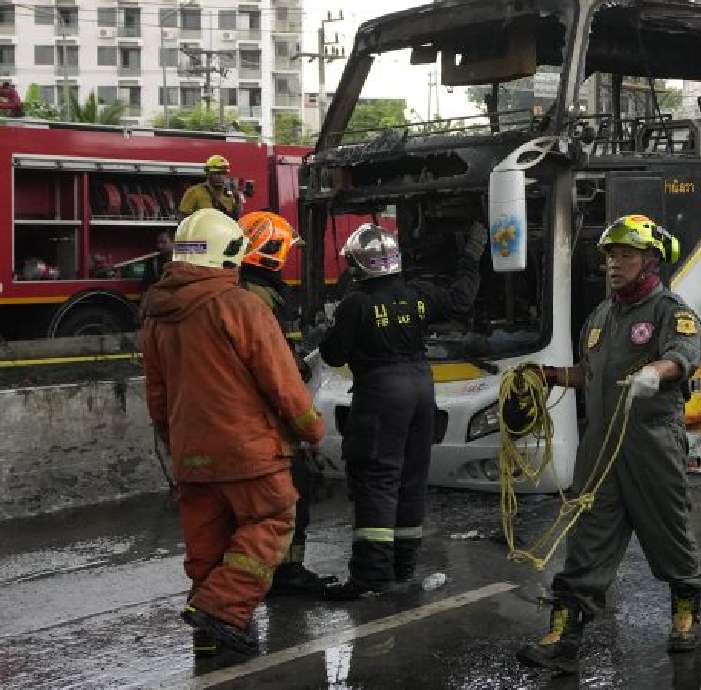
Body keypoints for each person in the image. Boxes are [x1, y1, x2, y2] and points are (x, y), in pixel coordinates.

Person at [516, 214, 701, 675]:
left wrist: (654, 373)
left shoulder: (670, 311)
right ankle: (563, 637)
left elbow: (682, 357)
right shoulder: (601, 316)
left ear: (650, 261)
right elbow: (591, 373)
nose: (613, 265)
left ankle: (686, 611)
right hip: (601, 449)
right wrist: (552, 377)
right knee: (586, 540)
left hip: (652, 445)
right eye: (610, 257)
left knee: (669, 532)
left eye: (625, 255)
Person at [141, 209, 325, 656]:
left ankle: (209, 638)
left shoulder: (157, 315)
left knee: (208, 545)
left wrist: (178, 444)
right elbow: (282, 382)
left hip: (192, 453)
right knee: (272, 518)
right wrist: (311, 430)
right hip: (249, 450)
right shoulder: (240, 306)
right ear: (226, 255)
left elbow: (158, 397)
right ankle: (223, 611)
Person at [318, 221, 487, 599]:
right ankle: (403, 568)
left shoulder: (356, 304)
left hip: (381, 392)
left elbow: (333, 354)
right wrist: (471, 258)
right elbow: (461, 300)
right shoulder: (418, 295)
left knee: (377, 478)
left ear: (356, 265)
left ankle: (371, 576)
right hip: (422, 388)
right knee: (411, 477)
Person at [235, 211, 333, 595]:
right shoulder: (258, 300)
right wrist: (307, 427)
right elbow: (274, 368)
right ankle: (284, 575)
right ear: (270, 253)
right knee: (293, 494)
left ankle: (278, 573)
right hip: (268, 421)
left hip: (251, 421)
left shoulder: (251, 293)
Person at [180, 155, 242, 220]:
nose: (220, 177)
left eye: (223, 173)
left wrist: (238, 201)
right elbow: (183, 220)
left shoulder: (229, 196)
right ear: (208, 173)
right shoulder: (194, 192)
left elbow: (234, 220)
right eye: (216, 173)